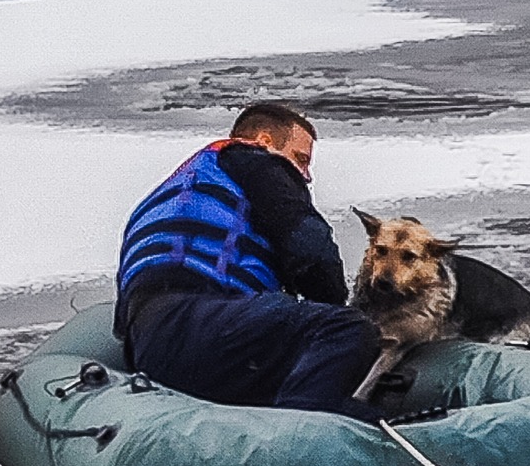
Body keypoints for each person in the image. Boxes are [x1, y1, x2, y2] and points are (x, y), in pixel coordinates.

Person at [115, 100, 382, 417]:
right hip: (201, 322)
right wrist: (334, 308)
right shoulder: (252, 159)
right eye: (301, 159)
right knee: (347, 330)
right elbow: (311, 247)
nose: (306, 176)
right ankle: (309, 425)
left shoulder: (173, 192)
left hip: (149, 348)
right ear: (265, 142)